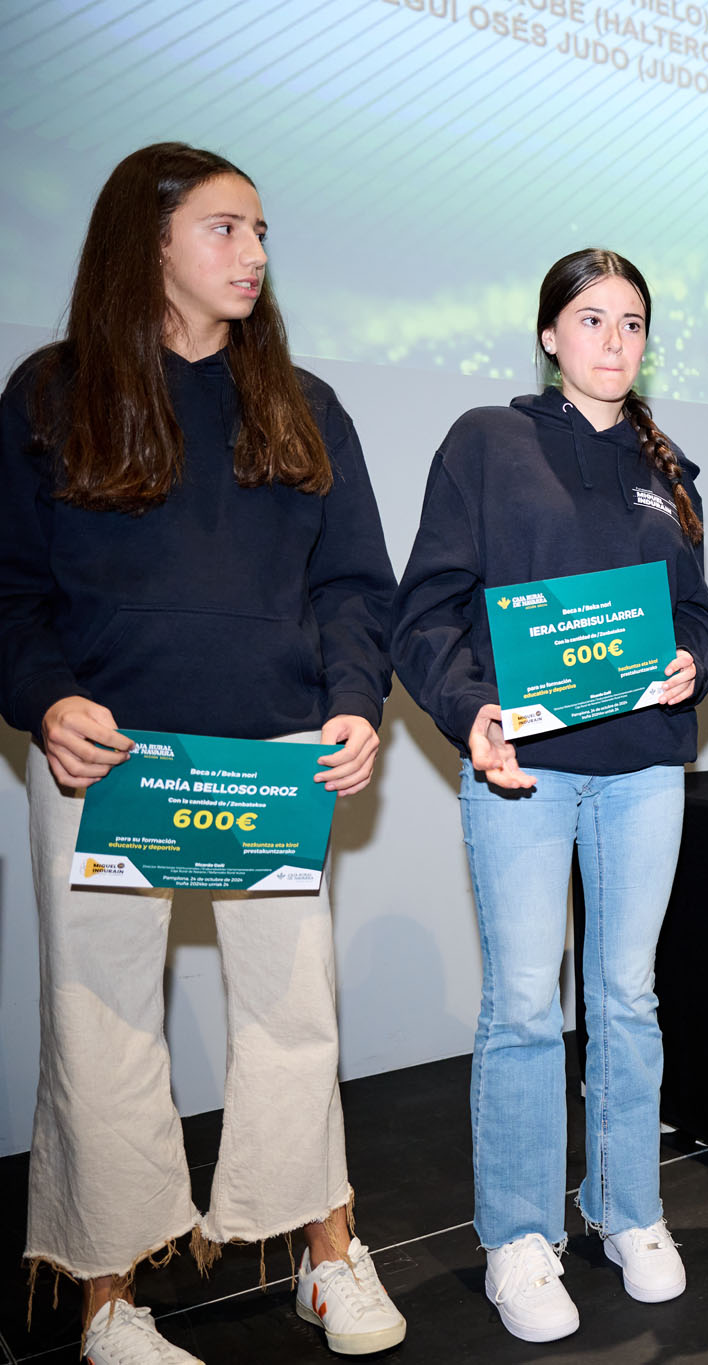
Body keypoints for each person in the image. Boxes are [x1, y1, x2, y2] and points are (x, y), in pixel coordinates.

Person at [0, 142, 406, 1361]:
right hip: (105, 758)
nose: (255, 254)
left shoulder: (303, 402)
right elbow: (10, 590)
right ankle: (106, 1293)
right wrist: (43, 699)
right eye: (227, 229)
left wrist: (352, 701)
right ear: (151, 242)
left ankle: (322, 1255)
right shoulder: (50, 394)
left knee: (295, 1018)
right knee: (102, 1023)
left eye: (263, 233)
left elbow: (352, 585)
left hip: (272, 756)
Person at [391, 248, 708, 1342]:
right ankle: (520, 1236)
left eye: (632, 323)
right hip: (524, 772)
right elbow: (429, 608)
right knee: (526, 1006)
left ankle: (626, 1209)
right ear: (549, 335)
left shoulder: (661, 461)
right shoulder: (486, 444)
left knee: (627, 998)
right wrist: (467, 709)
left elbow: (701, 615)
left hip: (641, 770)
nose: (614, 342)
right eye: (591, 320)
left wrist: (693, 662)